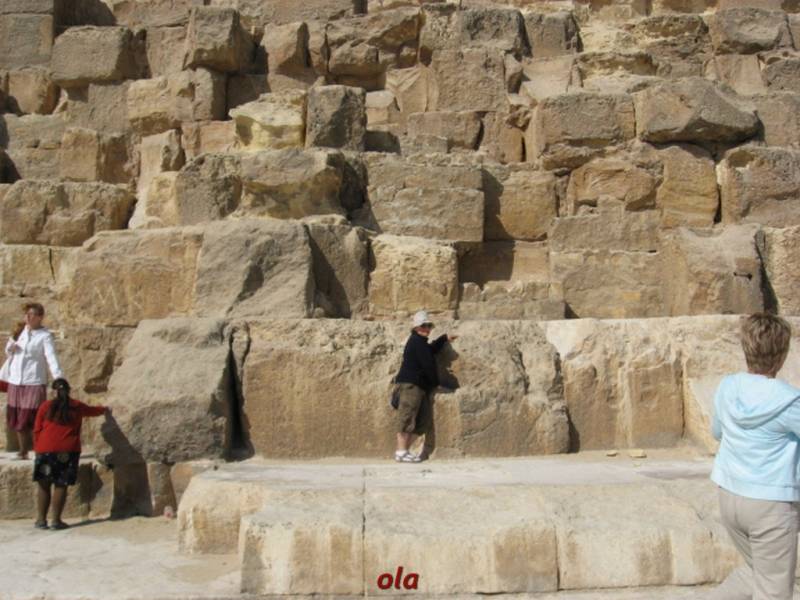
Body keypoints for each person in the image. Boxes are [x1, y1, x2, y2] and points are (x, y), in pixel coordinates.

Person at [709, 313, 800, 600]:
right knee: (773, 590)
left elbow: (717, 432)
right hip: (770, 505)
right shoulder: (790, 401)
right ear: (783, 354)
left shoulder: (728, 387)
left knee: (755, 572)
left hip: (730, 496)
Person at [33, 378, 108, 530]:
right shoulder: (77, 406)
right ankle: (56, 521)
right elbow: (94, 411)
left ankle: (41, 520)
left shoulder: (45, 406)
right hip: (67, 450)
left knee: (44, 485)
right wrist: (106, 408)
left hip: (45, 449)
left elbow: (37, 429)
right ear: (68, 391)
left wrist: (38, 449)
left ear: (53, 392)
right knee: (61, 484)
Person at [393, 310, 457, 463]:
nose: (427, 329)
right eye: (424, 326)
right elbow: (428, 365)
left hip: (420, 387)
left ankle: (404, 450)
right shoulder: (416, 342)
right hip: (411, 385)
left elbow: (430, 350)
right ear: (416, 327)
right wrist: (436, 384)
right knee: (406, 417)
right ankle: (401, 451)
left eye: (428, 326)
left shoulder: (421, 343)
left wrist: (443, 339)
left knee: (423, 421)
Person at [5, 304, 64, 460]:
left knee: (31, 415)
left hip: (34, 381)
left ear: (40, 317)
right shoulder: (20, 331)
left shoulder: (45, 336)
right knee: (16, 416)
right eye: (27, 314)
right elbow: (8, 350)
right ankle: (23, 451)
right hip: (16, 380)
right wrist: (11, 347)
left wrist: (58, 378)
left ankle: (39, 448)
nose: (28, 317)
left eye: (32, 314)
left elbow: (51, 357)